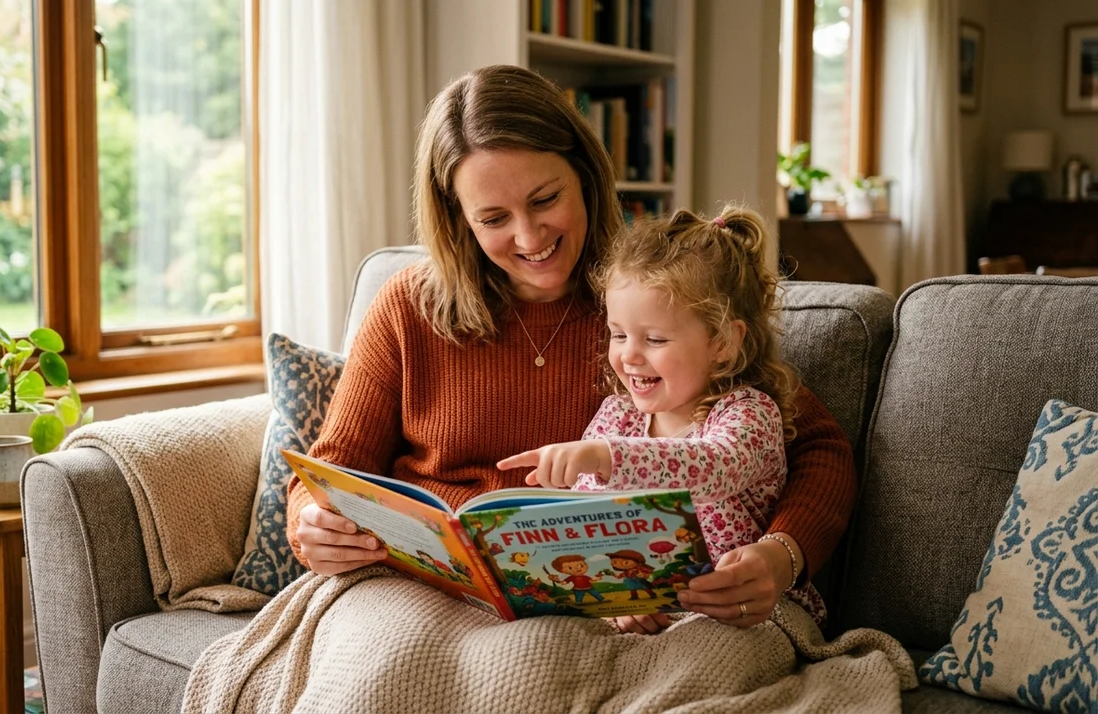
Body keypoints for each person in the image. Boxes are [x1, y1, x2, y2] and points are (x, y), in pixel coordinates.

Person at [286, 64, 856, 632]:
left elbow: (817, 448)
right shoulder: (408, 307)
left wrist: (781, 556)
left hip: (574, 601)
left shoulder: (646, 301)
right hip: (424, 586)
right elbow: (331, 469)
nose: (531, 238)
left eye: (545, 199)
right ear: (458, 219)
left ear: (584, 174)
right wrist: (312, 524)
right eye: (493, 218)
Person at [497, 208, 826, 631]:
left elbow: (712, 467)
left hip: (746, 613)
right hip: (648, 607)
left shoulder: (748, 413)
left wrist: (606, 458)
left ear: (723, 343)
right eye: (618, 334)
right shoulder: (618, 415)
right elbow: (590, 522)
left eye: (654, 339)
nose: (629, 356)